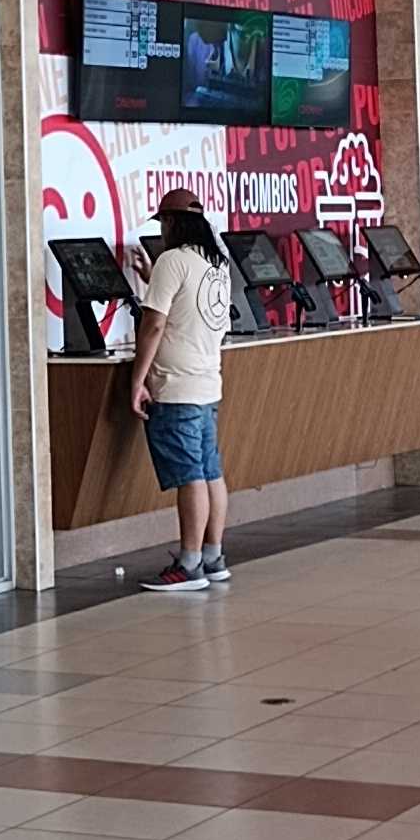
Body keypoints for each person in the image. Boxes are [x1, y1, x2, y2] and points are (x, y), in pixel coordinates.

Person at [128, 186, 231, 592]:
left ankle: (189, 566)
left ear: (171, 223)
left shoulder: (173, 260)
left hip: (176, 386)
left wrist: (138, 380)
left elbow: (154, 324)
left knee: (190, 477)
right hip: (207, 384)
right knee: (210, 472)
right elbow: (191, 304)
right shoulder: (217, 263)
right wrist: (151, 277)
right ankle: (213, 556)